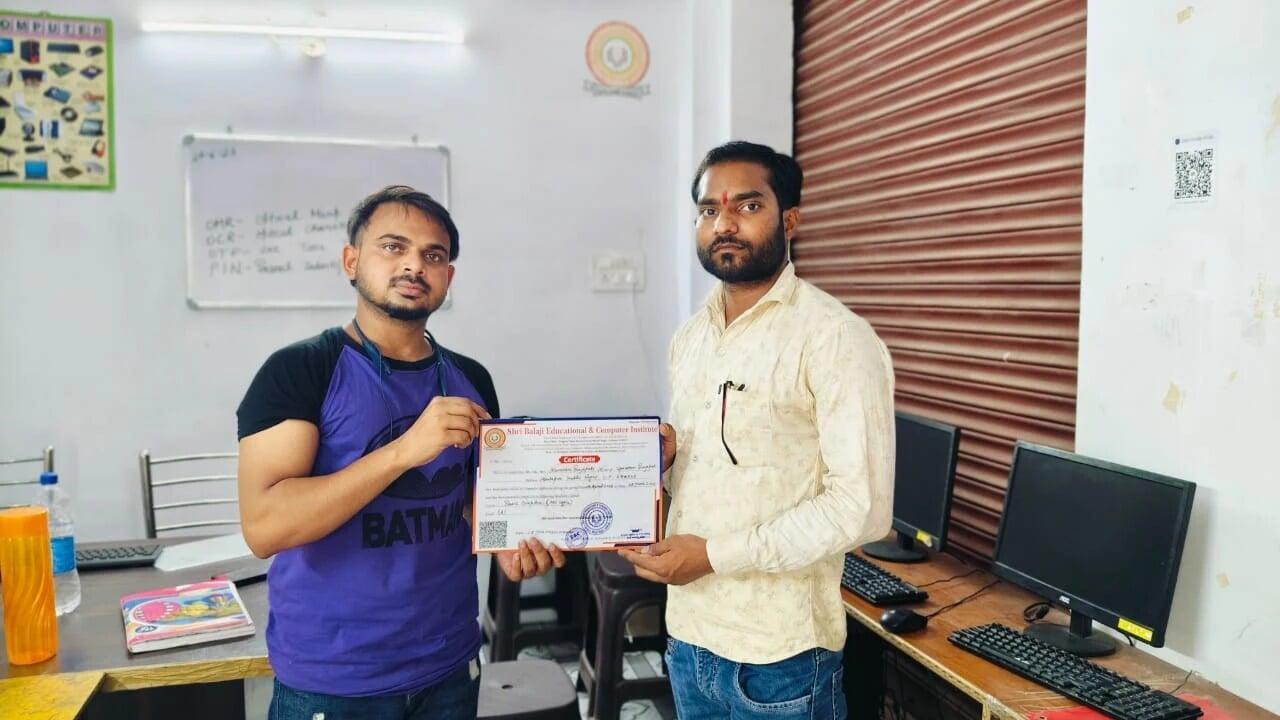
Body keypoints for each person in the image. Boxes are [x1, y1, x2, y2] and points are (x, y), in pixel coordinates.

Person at [236, 185, 564, 720]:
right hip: (335, 677)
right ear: (351, 261)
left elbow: (476, 500)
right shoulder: (300, 371)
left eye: (433, 256)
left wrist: (506, 544)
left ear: (448, 278)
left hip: (450, 662)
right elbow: (264, 527)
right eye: (393, 247)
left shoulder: (471, 378)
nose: (414, 265)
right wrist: (405, 450)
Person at [624, 141, 896, 719]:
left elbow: (862, 508)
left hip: (780, 657)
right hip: (690, 635)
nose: (724, 224)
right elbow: (728, 462)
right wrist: (666, 459)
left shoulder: (834, 338)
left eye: (748, 206)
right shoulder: (690, 338)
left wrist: (713, 556)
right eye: (709, 210)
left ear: (789, 220)